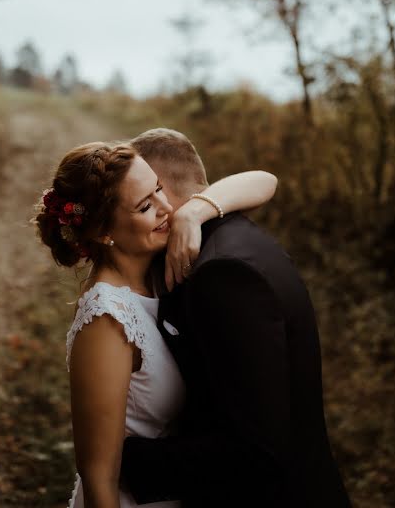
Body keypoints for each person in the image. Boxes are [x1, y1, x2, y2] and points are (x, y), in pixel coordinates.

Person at [33, 140, 278, 508]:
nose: (167, 209)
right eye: (146, 206)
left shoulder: (155, 273)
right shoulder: (107, 318)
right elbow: (99, 477)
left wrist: (195, 211)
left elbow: (265, 181)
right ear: (104, 232)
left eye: (159, 189)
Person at [120, 128, 351, 507]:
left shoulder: (222, 275)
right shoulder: (237, 235)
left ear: (160, 190)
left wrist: (127, 462)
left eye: (145, 194)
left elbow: (255, 450)